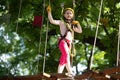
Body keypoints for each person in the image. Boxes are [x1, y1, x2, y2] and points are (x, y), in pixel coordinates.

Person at [46, 5, 82, 77]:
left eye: (70, 13)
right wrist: (49, 12)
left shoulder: (72, 25)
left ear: (72, 15)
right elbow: (52, 20)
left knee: (63, 60)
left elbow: (80, 31)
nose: (69, 15)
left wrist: (78, 23)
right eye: (67, 13)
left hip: (69, 44)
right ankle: (70, 72)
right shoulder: (61, 22)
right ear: (64, 15)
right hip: (63, 41)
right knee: (66, 55)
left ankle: (58, 74)